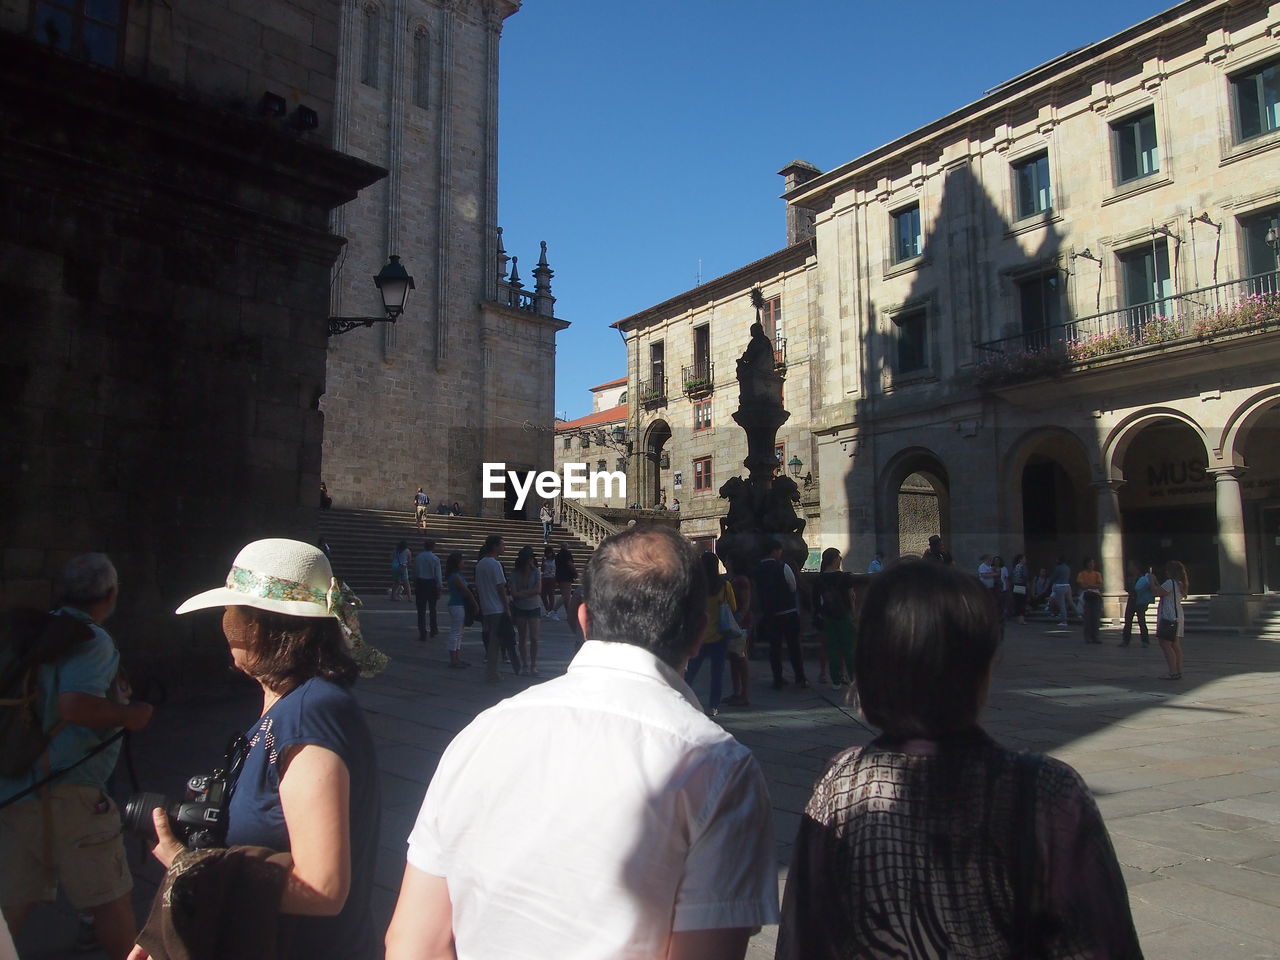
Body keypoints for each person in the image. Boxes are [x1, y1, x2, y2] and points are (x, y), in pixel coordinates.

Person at [385, 525, 779, 959]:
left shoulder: (481, 732)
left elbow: (412, 942)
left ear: (584, 618)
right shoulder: (720, 769)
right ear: (697, 631)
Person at [775, 560, 1141, 959]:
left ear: (871, 664)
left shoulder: (841, 786)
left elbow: (803, 941)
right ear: (981, 666)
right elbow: (1104, 942)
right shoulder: (1046, 792)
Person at [153, 539, 386, 959]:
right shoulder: (293, 704)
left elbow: (321, 886)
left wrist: (187, 868)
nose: (224, 621)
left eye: (232, 610)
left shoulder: (309, 713)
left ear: (260, 623)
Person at [0, 554, 154, 960]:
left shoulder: (35, 632)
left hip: (19, 788)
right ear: (110, 594)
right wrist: (129, 716)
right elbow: (74, 705)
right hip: (72, 790)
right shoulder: (91, 640)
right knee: (110, 900)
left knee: (11, 906)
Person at [684, 551, 734, 716]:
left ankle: (683, 700)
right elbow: (733, 607)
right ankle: (713, 706)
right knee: (717, 673)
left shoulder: (695, 587)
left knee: (690, 672)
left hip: (699, 634)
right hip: (720, 634)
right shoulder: (725, 585)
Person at [754, 538, 808, 690]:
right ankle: (800, 677)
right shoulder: (782, 566)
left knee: (775, 648)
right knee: (794, 646)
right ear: (775, 551)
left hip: (770, 614)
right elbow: (793, 586)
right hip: (788, 612)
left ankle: (777, 679)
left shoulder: (757, 570)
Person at [815, 547, 857, 687]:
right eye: (839, 557)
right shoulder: (845, 577)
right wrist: (853, 613)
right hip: (844, 615)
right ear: (834, 560)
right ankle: (853, 678)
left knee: (832, 648)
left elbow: (816, 600)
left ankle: (836, 680)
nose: (840, 560)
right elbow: (851, 597)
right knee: (848, 647)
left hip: (827, 616)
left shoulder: (819, 578)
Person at [475, 535, 514, 682]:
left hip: (486, 606)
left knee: (492, 640)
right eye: (502, 545)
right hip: (497, 608)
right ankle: (492, 672)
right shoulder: (495, 565)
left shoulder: (479, 565)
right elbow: (501, 588)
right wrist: (507, 608)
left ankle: (492, 670)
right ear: (495, 546)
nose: (504, 547)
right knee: (495, 642)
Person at [722, 557, 755, 708]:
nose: (725, 562)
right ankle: (737, 692)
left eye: (728, 560)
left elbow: (745, 603)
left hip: (739, 623)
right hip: (734, 621)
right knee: (734, 657)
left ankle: (744, 694)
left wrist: (738, 621)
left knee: (740, 657)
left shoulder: (741, 581)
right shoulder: (734, 579)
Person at [510, 546, 543, 676]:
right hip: (520, 608)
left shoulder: (536, 572)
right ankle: (525, 664)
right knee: (522, 637)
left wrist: (522, 593)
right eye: (530, 558)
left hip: (534, 606)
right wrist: (527, 593)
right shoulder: (515, 573)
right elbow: (513, 593)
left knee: (534, 637)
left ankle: (533, 665)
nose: (532, 560)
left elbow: (538, 590)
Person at [1154, 560, 1188, 680]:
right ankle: (1177, 670)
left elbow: (1157, 592)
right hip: (1177, 615)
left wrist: (1152, 581)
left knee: (1165, 644)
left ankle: (1173, 672)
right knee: (1175, 644)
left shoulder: (1170, 583)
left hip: (1169, 616)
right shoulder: (1179, 583)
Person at [443, 552, 476, 669]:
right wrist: (474, 602)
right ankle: (453, 659)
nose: (464, 562)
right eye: (462, 560)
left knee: (459, 632)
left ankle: (456, 657)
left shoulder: (456, 575)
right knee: (456, 632)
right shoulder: (455, 577)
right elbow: (465, 590)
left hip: (458, 604)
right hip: (457, 605)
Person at [412, 539, 443, 642]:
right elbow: (438, 575)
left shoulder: (418, 558)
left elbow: (415, 572)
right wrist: (439, 587)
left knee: (421, 610)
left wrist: (416, 583)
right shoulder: (435, 559)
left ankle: (422, 631)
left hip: (421, 583)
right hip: (431, 584)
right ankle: (433, 629)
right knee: (432, 608)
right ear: (433, 547)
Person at [1121, 562, 1153, 648]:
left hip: (1140, 601)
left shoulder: (1143, 578)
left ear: (1136, 568)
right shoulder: (1129, 578)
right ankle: (1126, 640)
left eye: (1131, 567)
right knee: (1128, 621)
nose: (1129, 569)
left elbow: (1146, 590)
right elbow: (1128, 589)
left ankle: (1145, 641)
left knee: (1141, 621)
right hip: (1131, 600)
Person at [1077, 557, 1103, 644]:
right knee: (1087, 618)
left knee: (1095, 617)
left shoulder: (1097, 574)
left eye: (1093, 563)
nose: (1092, 565)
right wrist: (1092, 586)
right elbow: (1082, 586)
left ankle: (1095, 636)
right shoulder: (1081, 574)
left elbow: (1099, 585)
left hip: (1096, 596)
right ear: (1086, 564)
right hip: (1086, 596)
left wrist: (1088, 585)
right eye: (1090, 563)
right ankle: (1087, 637)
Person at [554, 545, 579, 638]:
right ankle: (553, 611)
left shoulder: (557, 555)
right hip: (566, 577)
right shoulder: (567, 554)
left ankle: (568, 613)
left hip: (560, 576)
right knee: (566, 595)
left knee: (566, 596)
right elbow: (570, 564)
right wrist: (575, 572)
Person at [1050, 556, 1073, 626]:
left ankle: (1064, 621)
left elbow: (1053, 577)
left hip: (1060, 586)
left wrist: (1051, 580)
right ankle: (1079, 615)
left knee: (1062, 605)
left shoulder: (1058, 568)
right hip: (1067, 585)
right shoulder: (1068, 568)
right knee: (1070, 601)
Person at [540, 545, 558, 619]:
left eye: (549, 553)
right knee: (543, 594)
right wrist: (543, 562)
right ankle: (547, 608)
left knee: (551, 594)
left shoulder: (555, 560)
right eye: (547, 553)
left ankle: (551, 610)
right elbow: (542, 569)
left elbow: (557, 569)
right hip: (544, 577)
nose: (548, 554)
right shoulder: (544, 560)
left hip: (552, 578)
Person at [1011, 553, 1029, 624]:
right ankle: (1022, 619)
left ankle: (1018, 619)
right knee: (1022, 602)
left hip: (1015, 585)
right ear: (1021, 559)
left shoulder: (1015, 566)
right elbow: (1025, 576)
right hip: (1021, 585)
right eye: (1024, 558)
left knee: (1017, 602)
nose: (1025, 560)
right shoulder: (1023, 567)